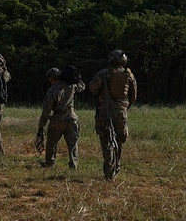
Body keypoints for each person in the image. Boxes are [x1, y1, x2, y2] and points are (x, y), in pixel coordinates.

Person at [88, 50, 137, 180]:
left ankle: (109, 171)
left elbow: (93, 88)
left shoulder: (103, 73)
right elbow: (133, 96)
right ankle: (117, 167)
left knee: (106, 140)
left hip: (105, 112)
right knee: (119, 140)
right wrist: (124, 107)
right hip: (121, 112)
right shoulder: (129, 75)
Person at [36, 66, 85, 169]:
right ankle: (74, 164)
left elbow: (46, 110)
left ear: (51, 78)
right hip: (71, 118)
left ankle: (50, 163)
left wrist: (41, 125)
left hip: (58, 119)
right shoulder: (71, 86)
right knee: (73, 144)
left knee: (51, 143)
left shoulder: (52, 90)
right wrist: (76, 77)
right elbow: (82, 86)